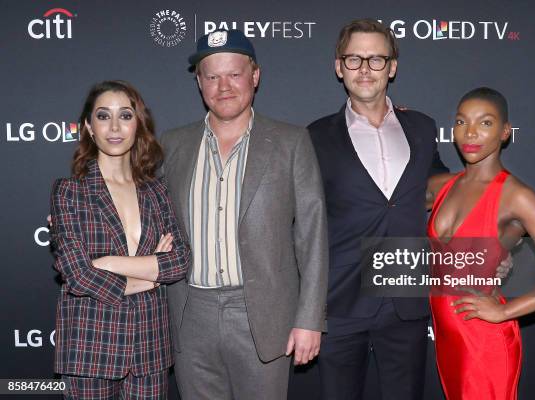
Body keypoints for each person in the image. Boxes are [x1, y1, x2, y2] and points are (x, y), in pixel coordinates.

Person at [160, 29, 328, 400]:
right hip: (189, 316)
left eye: (234, 74)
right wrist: (80, 213)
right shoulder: (171, 146)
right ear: (199, 82)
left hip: (264, 316)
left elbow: (313, 235)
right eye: (212, 76)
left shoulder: (290, 142)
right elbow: (138, 206)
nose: (224, 86)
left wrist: (310, 319)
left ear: (255, 76)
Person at [308, 19, 448, 399]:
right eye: (354, 59)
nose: (365, 69)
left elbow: (446, 195)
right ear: (339, 67)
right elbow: (300, 224)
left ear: (393, 66)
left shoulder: (422, 127)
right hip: (340, 301)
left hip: (405, 300)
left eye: (376, 59)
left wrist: (491, 250)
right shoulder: (313, 137)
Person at [426, 87, 535, 399]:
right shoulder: (442, 186)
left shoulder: (516, 196)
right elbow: (383, 199)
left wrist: (505, 311)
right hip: (449, 339)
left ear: (505, 132)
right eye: (461, 122)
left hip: (485, 341)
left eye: (485, 123)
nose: (470, 132)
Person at [50, 80, 191, 399]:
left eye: (125, 116)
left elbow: (179, 260)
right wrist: (151, 277)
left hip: (149, 348)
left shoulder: (157, 191)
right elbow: (79, 275)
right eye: (103, 116)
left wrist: (110, 263)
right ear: (88, 126)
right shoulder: (70, 192)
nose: (115, 126)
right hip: (90, 347)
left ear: (138, 123)